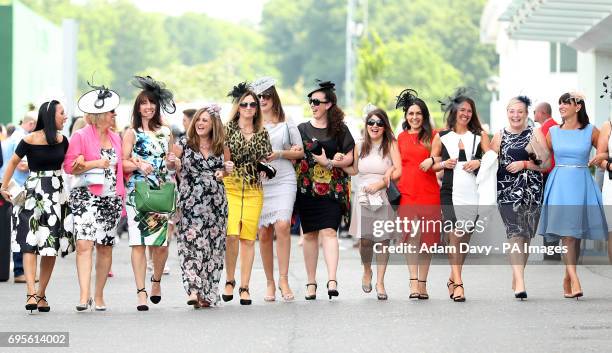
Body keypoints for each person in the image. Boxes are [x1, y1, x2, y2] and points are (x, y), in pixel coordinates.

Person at [0, 100, 74, 313]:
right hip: (32, 195)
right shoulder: (29, 139)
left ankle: (41, 293)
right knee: (29, 243)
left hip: (57, 196)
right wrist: (3, 186)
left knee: (50, 247)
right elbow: (13, 162)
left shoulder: (63, 140)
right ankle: (31, 293)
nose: (65, 117)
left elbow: (68, 165)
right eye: (62, 113)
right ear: (51, 116)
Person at [538, 92, 607, 299]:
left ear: (578, 107)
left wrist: (600, 158)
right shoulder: (552, 132)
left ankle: (567, 277)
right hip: (559, 183)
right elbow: (543, 160)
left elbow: (604, 151)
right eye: (559, 103)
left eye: (565, 103)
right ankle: (575, 279)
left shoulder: (590, 131)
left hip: (581, 183)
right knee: (567, 235)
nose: (561, 106)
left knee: (575, 236)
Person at [63, 84, 124, 311]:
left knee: (105, 246)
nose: (114, 115)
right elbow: (69, 167)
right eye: (111, 112)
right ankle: (83, 295)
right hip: (85, 197)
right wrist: (94, 163)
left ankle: (98, 295)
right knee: (84, 243)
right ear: (99, 115)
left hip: (111, 199)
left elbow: (120, 169)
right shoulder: (80, 136)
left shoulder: (116, 138)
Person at [295, 80, 355, 300]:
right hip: (307, 189)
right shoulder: (301, 129)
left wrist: (330, 161)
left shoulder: (340, 129)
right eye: (311, 101)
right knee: (309, 234)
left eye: (317, 102)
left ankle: (332, 279)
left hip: (332, 189)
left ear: (329, 104)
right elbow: (295, 153)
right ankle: (311, 282)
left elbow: (350, 157)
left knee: (330, 231)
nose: (313, 105)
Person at [122, 76, 177, 311]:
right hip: (137, 193)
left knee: (161, 245)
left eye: (152, 102)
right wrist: (138, 165)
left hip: (162, 191)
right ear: (138, 107)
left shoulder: (166, 132)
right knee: (138, 243)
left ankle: (155, 281)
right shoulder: (131, 133)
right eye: (143, 103)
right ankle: (140, 292)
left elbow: (173, 163)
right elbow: (123, 164)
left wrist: (174, 162)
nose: (148, 106)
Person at [430, 88, 490, 302]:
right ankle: (459, 283)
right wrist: (443, 163)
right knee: (454, 235)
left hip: (473, 192)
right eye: (462, 110)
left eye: (469, 111)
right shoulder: (442, 137)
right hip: (449, 192)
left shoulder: (479, 136)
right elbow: (432, 163)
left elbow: (493, 159)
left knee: (464, 239)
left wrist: (480, 161)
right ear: (454, 112)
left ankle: (452, 278)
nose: (466, 113)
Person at [174, 104, 232, 308]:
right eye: (198, 119)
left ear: (213, 124)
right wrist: (175, 163)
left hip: (216, 203)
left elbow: (227, 170)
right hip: (190, 201)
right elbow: (171, 163)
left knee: (212, 248)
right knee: (190, 243)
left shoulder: (221, 145)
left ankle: (207, 293)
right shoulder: (184, 143)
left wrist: (225, 171)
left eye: (204, 120)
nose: (199, 123)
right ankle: (193, 288)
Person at [251, 77, 303, 302]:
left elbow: (299, 152)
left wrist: (280, 153)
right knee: (263, 232)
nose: (262, 100)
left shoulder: (286, 122)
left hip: (283, 178)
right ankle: (269, 282)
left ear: (274, 98)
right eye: (258, 97)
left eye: (266, 96)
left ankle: (284, 279)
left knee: (282, 224)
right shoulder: (250, 124)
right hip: (260, 180)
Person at [490, 96, 545, 300]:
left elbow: (545, 163)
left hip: (531, 190)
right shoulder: (499, 136)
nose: (516, 115)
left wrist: (525, 165)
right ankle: (520, 281)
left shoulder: (534, 133)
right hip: (507, 191)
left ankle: (518, 273)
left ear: (526, 114)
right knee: (514, 233)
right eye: (512, 111)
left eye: (520, 111)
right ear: (507, 112)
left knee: (526, 235)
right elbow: (490, 162)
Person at [222, 82, 272, 305]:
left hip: (253, 187)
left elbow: (264, 159)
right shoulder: (227, 129)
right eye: (244, 104)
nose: (249, 107)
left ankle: (245, 286)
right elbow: (222, 160)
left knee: (248, 238)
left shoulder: (262, 132)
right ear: (238, 106)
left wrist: (266, 169)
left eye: (253, 104)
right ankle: (229, 280)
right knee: (231, 234)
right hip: (231, 185)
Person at [344, 107, 400, 300]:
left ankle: (381, 282)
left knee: (383, 240)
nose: (374, 126)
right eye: (371, 123)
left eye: (379, 123)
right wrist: (333, 162)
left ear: (385, 126)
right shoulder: (360, 146)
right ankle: (367, 270)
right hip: (364, 196)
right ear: (366, 125)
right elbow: (353, 169)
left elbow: (399, 170)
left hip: (383, 194)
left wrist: (382, 182)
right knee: (365, 240)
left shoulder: (391, 144)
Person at [395, 89, 441, 300]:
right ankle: (413, 282)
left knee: (427, 239)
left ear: (424, 116)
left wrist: (432, 161)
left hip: (429, 192)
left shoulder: (433, 136)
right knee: (411, 236)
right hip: (407, 193)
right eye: (411, 113)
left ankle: (423, 283)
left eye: (418, 114)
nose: (414, 117)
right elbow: (395, 165)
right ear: (406, 116)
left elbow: (438, 162)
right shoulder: (400, 138)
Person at [0, 113, 37, 283]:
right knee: (21, 230)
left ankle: (19, 269)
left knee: (15, 229)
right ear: (31, 124)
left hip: (8, 187)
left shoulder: (10, 138)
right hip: (18, 189)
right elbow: (22, 165)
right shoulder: (22, 138)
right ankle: (19, 270)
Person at [533, 101, 560, 259]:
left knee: (549, 213)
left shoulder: (545, 129)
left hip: (547, 174)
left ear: (542, 113)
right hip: (552, 174)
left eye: (535, 111)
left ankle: (551, 252)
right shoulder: (556, 126)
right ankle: (552, 251)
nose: (533, 114)